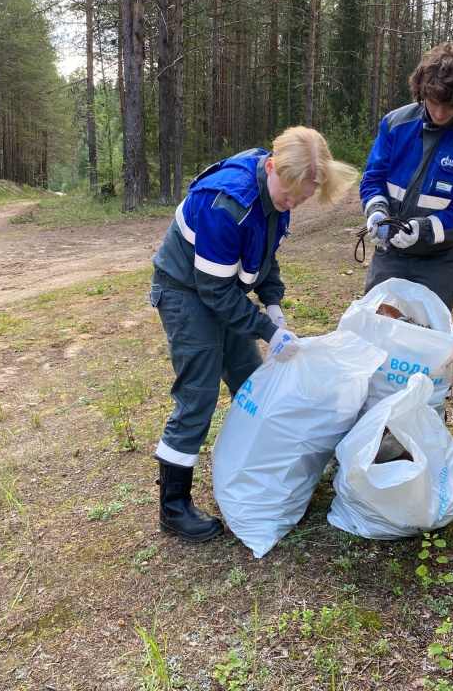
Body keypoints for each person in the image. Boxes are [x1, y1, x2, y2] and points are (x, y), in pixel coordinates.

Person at [148, 126, 358, 542]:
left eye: (303, 197)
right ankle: (173, 507)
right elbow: (212, 290)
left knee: (252, 379)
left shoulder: (278, 190)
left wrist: (273, 303)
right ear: (273, 168)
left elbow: (264, 254)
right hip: (186, 291)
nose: (294, 203)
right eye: (292, 195)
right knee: (199, 393)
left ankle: (269, 469)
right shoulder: (226, 205)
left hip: (221, 290)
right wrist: (264, 327)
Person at [360, 43, 453, 311]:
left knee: (429, 340)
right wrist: (376, 212)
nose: (440, 113)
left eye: (451, 106)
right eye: (434, 102)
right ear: (422, 91)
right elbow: (372, 179)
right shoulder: (395, 125)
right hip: (389, 254)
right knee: (377, 332)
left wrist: (420, 229)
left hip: (437, 262)